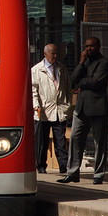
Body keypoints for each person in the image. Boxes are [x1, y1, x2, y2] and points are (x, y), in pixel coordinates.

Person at [58, 36, 108, 185]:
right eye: (86, 46)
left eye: (92, 46)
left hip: (97, 107)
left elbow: (97, 81)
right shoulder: (84, 63)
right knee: (75, 138)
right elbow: (73, 79)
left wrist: (81, 83)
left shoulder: (104, 62)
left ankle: (98, 174)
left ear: (98, 47)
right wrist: (81, 64)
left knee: (99, 142)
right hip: (81, 107)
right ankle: (73, 173)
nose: (88, 49)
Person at [31, 44, 71, 174]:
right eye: (53, 54)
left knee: (60, 140)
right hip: (42, 111)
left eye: (56, 54)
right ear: (45, 54)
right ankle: (41, 166)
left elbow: (67, 87)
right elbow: (33, 90)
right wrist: (36, 105)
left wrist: (67, 105)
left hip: (59, 110)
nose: (55, 56)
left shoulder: (62, 69)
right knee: (41, 142)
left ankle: (63, 165)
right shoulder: (36, 70)